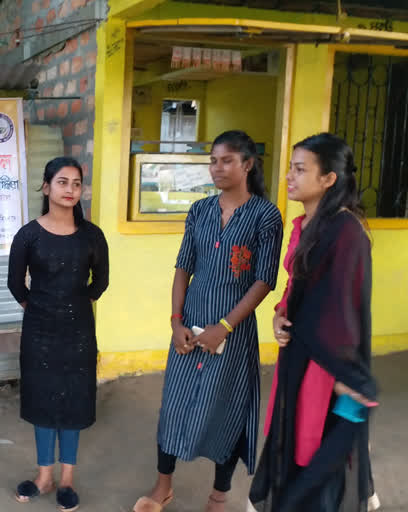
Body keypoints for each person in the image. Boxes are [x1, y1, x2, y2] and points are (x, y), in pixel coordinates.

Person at [133, 131, 284, 512]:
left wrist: (225, 326)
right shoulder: (199, 210)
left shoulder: (265, 215)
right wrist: (175, 320)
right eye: (213, 160)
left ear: (247, 164)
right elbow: (184, 266)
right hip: (189, 324)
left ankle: (219, 495)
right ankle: (162, 486)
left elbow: (264, 280)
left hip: (233, 331)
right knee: (175, 406)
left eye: (227, 160)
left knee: (226, 408)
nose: (217, 168)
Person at [249, 133, 378, 512]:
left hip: (327, 361)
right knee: (292, 441)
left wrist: (344, 374)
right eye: (291, 167)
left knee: (316, 446)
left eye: (300, 169)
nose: (289, 176)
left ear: (329, 179)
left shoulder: (346, 231)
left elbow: (344, 306)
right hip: (300, 353)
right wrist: (278, 315)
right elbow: (296, 286)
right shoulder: (305, 224)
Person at [7, 157, 109, 512]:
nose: (70, 189)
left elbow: (102, 282)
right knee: (42, 401)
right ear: (47, 187)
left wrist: (76, 304)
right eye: (62, 182)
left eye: (76, 183)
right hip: (38, 333)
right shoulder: (29, 235)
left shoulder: (92, 236)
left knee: (74, 400)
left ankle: (67, 479)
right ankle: (43, 476)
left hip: (79, 331)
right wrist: (38, 309)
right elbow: (14, 283)